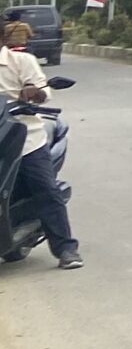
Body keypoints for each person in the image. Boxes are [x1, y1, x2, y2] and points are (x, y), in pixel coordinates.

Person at [0, 21, 79, 269]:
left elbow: (43, 90)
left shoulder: (22, 62)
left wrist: (34, 93)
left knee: (44, 187)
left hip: (23, 137)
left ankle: (66, 249)